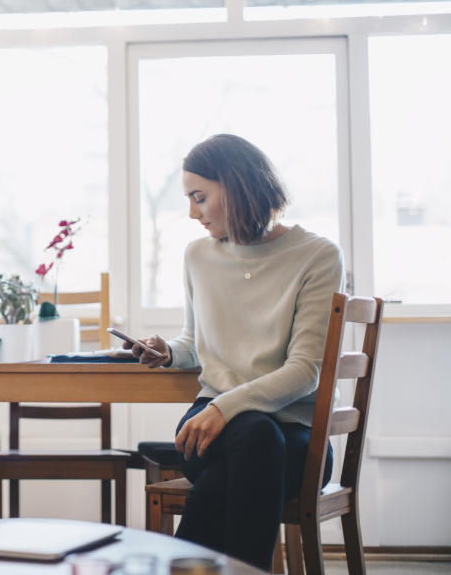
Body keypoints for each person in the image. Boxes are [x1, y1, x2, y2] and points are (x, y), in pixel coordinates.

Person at [124, 134, 342, 571]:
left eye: (200, 197)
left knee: (256, 439)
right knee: (254, 440)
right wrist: (169, 353)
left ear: (238, 185)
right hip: (208, 430)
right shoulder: (198, 256)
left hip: (291, 433)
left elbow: (305, 372)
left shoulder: (316, 256)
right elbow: (195, 342)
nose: (192, 212)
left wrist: (226, 407)